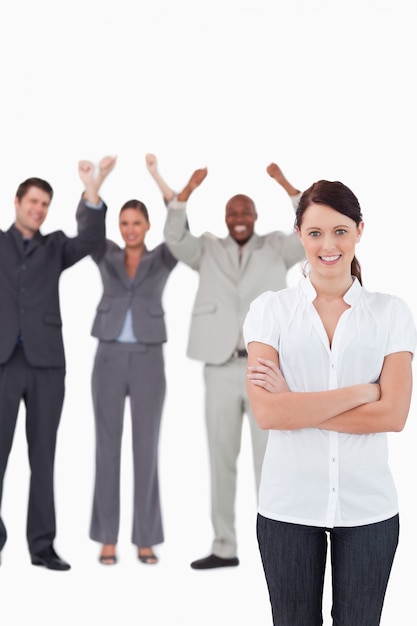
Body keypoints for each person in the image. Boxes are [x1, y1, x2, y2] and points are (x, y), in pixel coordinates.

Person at [244, 179, 417, 625]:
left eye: (340, 231)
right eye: (316, 232)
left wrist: (297, 406)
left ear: (360, 230)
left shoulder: (390, 312)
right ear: (299, 233)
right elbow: (267, 413)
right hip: (287, 507)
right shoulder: (271, 311)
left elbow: (394, 415)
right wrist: (363, 392)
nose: (328, 245)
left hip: (369, 508)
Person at [146, 153, 305, 569]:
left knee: (270, 459)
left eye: (245, 211)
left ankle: (277, 544)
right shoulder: (206, 250)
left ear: (254, 215)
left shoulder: (277, 247)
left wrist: (286, 183)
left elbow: (308, 231)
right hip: (218, 367)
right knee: (221, 458)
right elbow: (174, 238)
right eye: (232, 212)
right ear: (224, 216)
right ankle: (224, 546)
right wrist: (185, 193)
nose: (239, 217)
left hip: (266, 371)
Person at [0, 157, 112, 570]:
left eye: (45, 203)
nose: (39, 209)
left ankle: (42, 545)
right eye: (33, 201)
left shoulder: (56, 247)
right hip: (3, 363)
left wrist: (92, 189)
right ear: (17, 202)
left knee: (43, 457)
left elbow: (92, 240)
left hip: (47, 365)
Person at [88, 161, 178, 566]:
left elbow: (180, 229)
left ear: (146, 226)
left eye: (136, 223)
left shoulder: (162, 258)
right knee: (107, 449)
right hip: (107, 357)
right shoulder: (105, 253)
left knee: (146, 448)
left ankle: (145, 536)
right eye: (124, 223)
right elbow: (89, 229)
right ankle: (107, 537)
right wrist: (97, 184)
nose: (129, 229)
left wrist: (161, 180)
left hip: (148, 358)